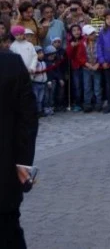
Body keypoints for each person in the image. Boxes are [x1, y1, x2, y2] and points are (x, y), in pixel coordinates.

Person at [0, 49, 38, 249]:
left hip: (5, 167)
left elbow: (28, 116)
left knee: (7, 230)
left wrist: (23, 162)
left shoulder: (11, 64)